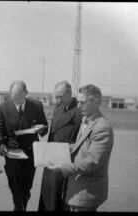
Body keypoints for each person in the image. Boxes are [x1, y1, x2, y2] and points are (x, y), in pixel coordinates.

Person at [47, 84, 114, 212]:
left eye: (83, 103)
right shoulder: (86, 120)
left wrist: (63, 167)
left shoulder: (102, 127)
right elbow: (82, 146)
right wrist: (65, 148)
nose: (78, 106)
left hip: (86, 192)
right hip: (76, 187)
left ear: (96, 103)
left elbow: (92, 162)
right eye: (78, 102)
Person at [0, 80, 49, 211]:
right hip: (12, 150)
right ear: (10, 94)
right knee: (14, 182)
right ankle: (19, 206)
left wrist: (41, 129)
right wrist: (1, 144)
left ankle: (20, 204)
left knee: (26, 185)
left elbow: (44, 126)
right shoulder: (3, 107)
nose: (17, 100)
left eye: (20, 96)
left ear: (26, 93)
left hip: (31, 151)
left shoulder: (37, 105)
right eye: (14, 96)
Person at [38, 81, 82, 211]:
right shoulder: (57, 109)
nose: (57, 99)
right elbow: (52, 135)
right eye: (56, 96)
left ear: (70, 94)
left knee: (60, 197)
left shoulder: (79, 111)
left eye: (60, 96)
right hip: (52, 157)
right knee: (48, 193)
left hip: (66, 159)